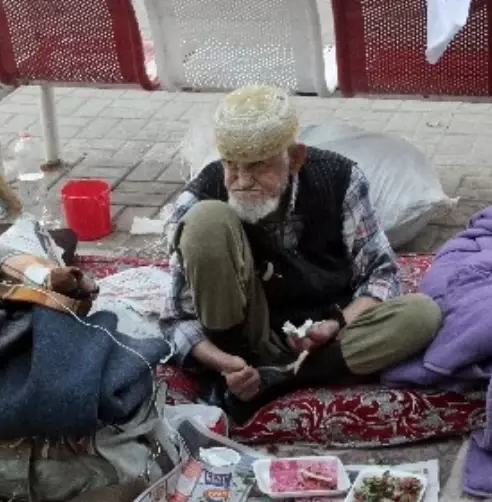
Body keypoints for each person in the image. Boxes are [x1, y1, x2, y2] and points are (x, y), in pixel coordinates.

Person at [161, 84, 442, 419]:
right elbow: (177, 318)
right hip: (242, 340)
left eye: (257, 167)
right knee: (206, 221)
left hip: (324, 332)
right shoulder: (201, 196)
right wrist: (227, 365)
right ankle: (245, 381)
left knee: (422, 314)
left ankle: (277, 381)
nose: (242, 181)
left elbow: (381, 273)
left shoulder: (341, 178)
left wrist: (336, 324)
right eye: (232, 166)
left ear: (293, 158)